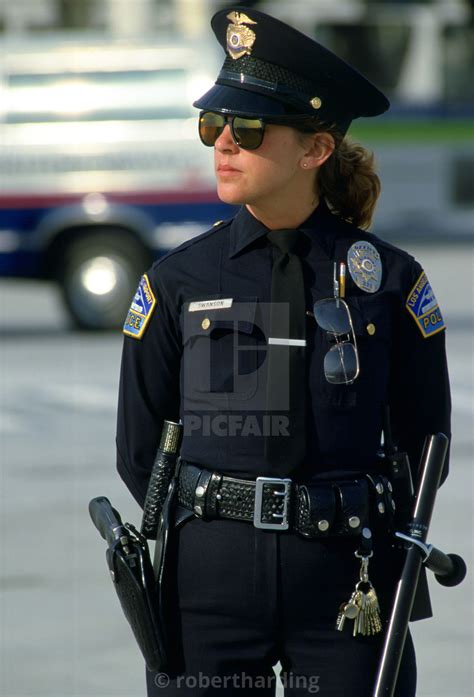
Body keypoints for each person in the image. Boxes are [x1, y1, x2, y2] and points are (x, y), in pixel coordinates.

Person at [116, 7, 451, 696]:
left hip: (345, 581)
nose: (223, 145)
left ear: (316, 149)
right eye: (214, 125)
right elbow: (138, 447)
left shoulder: (389, 280)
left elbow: (426, 439)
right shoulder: (178, 280)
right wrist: (227, 519)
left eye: (246, 129)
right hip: (209, 585)